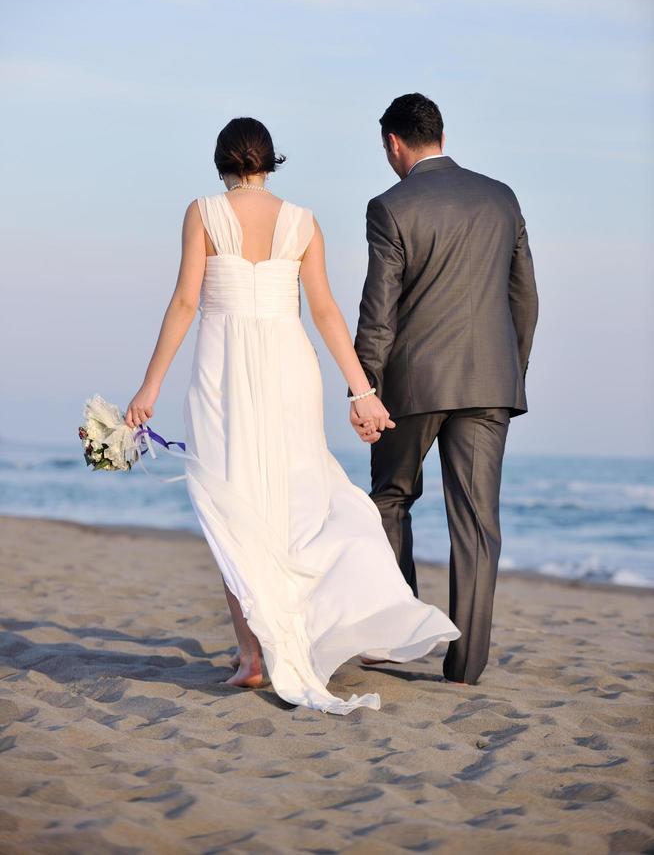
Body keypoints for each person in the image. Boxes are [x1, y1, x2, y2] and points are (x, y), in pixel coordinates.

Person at [125, 116, 459, 715]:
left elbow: (184, 302)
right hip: (288, 368)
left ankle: (253, 655)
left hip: (223, 368)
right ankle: (277, 640)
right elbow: (326, 311)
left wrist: (149, 386)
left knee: (231, 501)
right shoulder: (303, 221)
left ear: (222, 160)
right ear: (270, 160)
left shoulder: (202, 212)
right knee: (294, 499)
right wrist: (361, 390)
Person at [350, 93, 539, 686]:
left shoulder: (390, 207)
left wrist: (365, 387)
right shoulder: (501, 198)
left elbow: (378, 314)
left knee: (390, 498)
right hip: (490, 380)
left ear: (394, 143)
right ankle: (466, 667)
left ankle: (399, 635)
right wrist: (512, 371)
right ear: (440, 134)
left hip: (414, 383)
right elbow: (524, 297)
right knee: (479, 522)